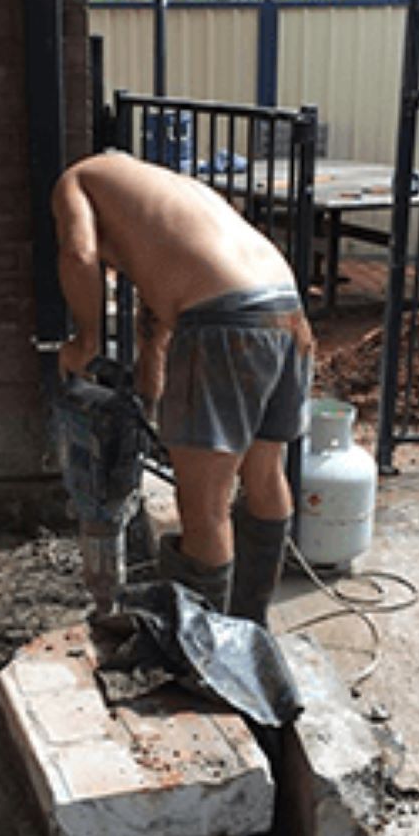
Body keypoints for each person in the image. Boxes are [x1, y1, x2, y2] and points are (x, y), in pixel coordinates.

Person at [51, 151, 313, 626]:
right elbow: (157, 312)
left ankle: (205, 656)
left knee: (205, 506)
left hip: (222, 323)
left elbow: (78, 254)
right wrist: (151, 397)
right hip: (287, 310)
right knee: (264, 475)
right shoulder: (166, 197)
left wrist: (84, 342)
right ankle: (250, 632)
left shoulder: (76, 178)